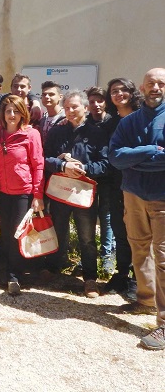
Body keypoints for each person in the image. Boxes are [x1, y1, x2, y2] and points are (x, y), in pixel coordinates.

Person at [109, 68, 165, 350]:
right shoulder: (130, 121)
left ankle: (164, 323)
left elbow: (125, 158)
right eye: (150, 83)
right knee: (139, 247)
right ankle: (144, 300)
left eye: (160, 83)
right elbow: (115, 156)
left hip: (162, 197)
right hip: (133, 194)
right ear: (142, 88)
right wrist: (150, 152)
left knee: (164, 256)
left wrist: (135, 158)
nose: (155, 87)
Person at [43, 90, 108, 298]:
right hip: (60, 192)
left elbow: (106, 164)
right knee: (58, 231)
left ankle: (90, 279)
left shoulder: (97, 133)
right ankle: (53, 269)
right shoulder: (56, 132)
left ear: (86, 109)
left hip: (83, 194)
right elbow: (44, 159)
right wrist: (62, 165)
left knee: (87, 238)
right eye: (68, 107)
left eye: (75, 107)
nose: (70, 111)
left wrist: (84, 169)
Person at [0, 95, 44, 295]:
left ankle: (14, 277)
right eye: (8, 111)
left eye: (16, 111)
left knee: (17, 234)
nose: (12, 115)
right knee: (5, 233)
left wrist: (38, 195)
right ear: (2, 113)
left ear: (23, 113)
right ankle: (6, 270)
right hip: (3, 191)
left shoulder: (31, 134)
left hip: (23, 192)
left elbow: (38, 164)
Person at [103, 78, 142, 299]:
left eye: (123, 90)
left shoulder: (140, 118)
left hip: (138, 184)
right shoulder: (110, 122)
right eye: (114, 91)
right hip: (115, 184)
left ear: (131, 92)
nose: (119, 94)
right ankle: (121, 275)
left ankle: (138, 280)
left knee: (138, 233)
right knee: (120, 231)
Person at [85, 86, 114, 275]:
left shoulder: (113, 122)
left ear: (105, 102)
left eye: (99, 100)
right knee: (88, 218)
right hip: (89, 178)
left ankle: (107, 260)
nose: (96, 104)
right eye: (92, 101)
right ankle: (88, 259)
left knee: (107, 219)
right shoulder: (85, 123)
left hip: (109, 178)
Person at [38, 81, 65, 145]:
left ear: (60, 97)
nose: (47, 97)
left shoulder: (67, 118)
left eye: (51, 94)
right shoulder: (42, 119)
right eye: (44, 94)